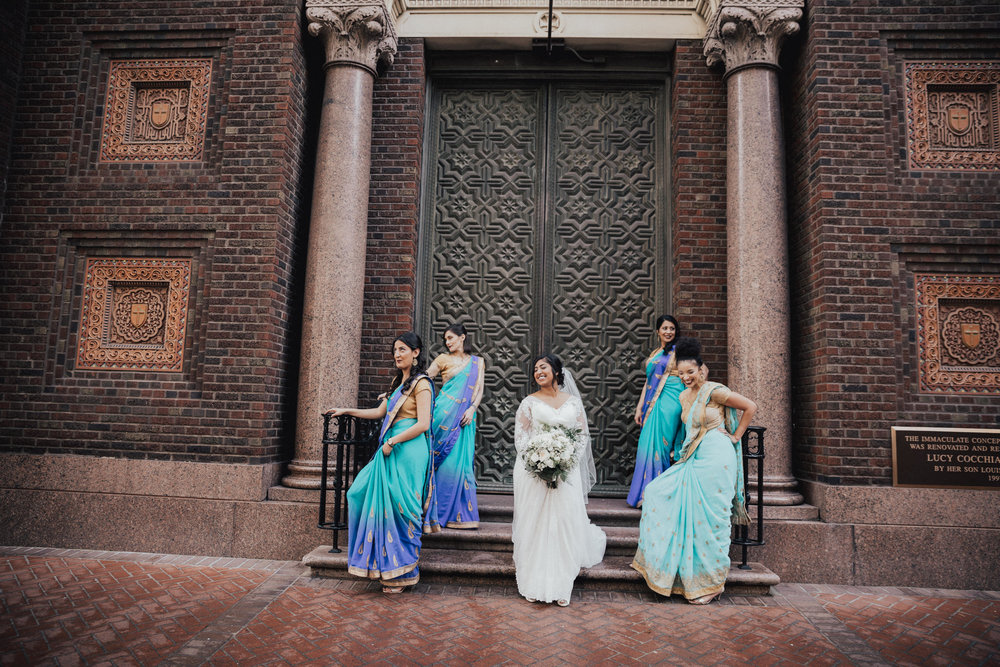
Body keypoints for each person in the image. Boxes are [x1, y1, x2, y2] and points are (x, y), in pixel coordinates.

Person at [631, 336, 757, 604]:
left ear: (701, 370)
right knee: (655, 492)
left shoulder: (714, 391)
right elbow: (687, 429)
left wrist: (735, 436)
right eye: (681, 373)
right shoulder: (683, 396)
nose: (686, 377)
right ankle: (677, 574)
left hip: (717, 457)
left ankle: (713, 583)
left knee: (713, 518)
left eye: (690, 372)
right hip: (694, 457)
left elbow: (750, 407)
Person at [326, 331, 441, 594]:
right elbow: (380, 412)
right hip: (391, 447)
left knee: (401, 507)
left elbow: (423, 424)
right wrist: (348, 410)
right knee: (357, 493)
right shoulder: (397, 383)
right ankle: (381, 564)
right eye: (395, 350)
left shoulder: (422, 384)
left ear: (416, 353)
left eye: (403, 350)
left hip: (409, 449)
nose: (397, 355)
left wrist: (392, 442)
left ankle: (399, 574)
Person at [512, 353, 606, 607]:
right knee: (535, 524)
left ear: (555, 371)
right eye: (535, 369)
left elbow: (581, 435)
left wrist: (565, 460)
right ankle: (534, 581)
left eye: (543, 367)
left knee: (562, 524)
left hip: (566, 471)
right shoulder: (529, 402)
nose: (538, 372)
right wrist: (537, 460)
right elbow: (521, 438)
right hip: (534, 471)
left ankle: (561, 583)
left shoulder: (572, 403)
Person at [426, 323, 484, 529]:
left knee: (462, 466)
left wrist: (472, 409)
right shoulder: (442, 359)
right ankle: (437, 513)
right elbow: (423, 380)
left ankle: (461, 516)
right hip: (443, 416)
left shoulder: (478, 362)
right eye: (445, 340)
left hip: (465, 419)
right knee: (444, 466)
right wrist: (394, 393)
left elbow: (479, 391)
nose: (447, 342)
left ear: (462, 338)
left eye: (450, 338)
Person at [627, 314, 686, 508]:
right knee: (647, 445)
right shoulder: (656, 352)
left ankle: (659, 496)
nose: (669, 332)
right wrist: (639, 407)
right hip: (652, 403)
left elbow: (702, 370)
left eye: (672, 328)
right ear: (657, 331)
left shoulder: (680, 351)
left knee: (662, 446)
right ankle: (645, 494)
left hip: (671, 401)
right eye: (665, 328)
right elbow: (648, 382)